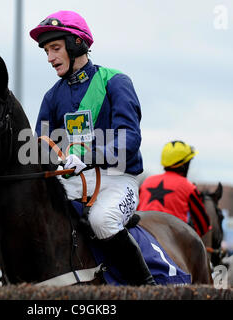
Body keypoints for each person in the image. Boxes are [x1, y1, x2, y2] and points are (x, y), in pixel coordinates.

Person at [29, 10, 156, 286]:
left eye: (55, 48)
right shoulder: (52, 96)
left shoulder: (115, 81)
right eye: (46, 51)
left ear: (76, 44)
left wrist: (87, 156)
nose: (50, 58)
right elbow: (41, 145)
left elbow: (129, 139)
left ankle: (148, 288)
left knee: (102, 220)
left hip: (117, 181)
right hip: (73, 181)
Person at [137, 140, 211, 237]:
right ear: (184, 165)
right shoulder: (188, 187)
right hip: (172, 236)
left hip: (141, 233)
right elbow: (203, 226)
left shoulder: (147, 181)